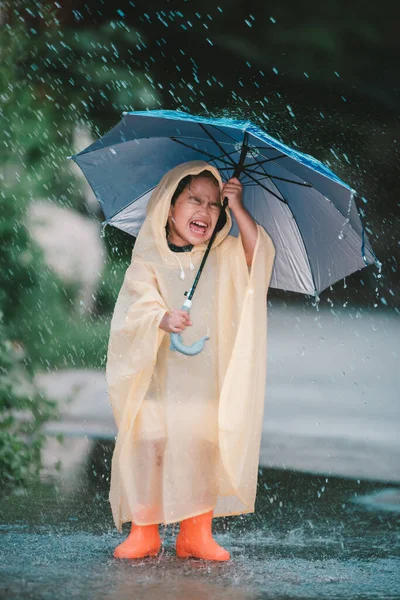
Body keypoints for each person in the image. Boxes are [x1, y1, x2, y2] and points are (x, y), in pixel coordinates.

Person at [106, 160, 276, 561]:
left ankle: (195, 532)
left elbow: (258, 255)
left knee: (201, 448)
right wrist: (160, 317)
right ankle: (144, 529)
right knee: (150, 447)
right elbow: (134, 305)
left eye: (214, 204)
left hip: (202, 379)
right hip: (157, 379)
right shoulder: (149, 257)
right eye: (194, 200)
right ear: (169, 207)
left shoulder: (222, 254)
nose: (204, 211)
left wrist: (239, 209)